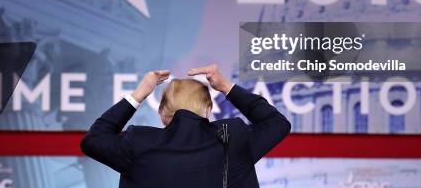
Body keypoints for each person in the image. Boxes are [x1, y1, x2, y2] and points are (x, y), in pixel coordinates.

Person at [81, 64, 291, 187]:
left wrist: (139, 94)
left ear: (162, 114)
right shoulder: (233, 137)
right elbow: (277, 124)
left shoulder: (137, 142)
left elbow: (93, 140)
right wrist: (226, 86)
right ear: (208, 110)